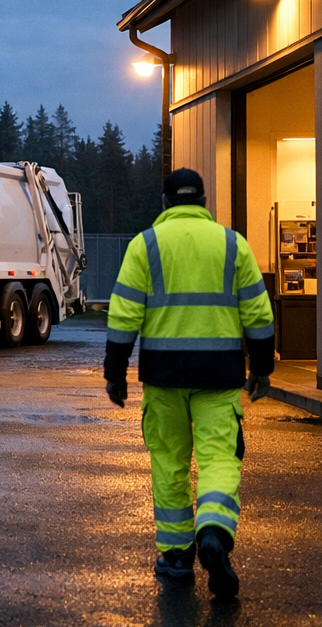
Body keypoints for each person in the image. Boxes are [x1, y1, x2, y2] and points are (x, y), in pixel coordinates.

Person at [103, 168, 274, 599]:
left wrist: (115, 372)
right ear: (203, 201)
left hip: (164, 377)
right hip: (219, 377)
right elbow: (258, 313)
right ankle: (214, 529)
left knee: (169, 462)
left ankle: (177, 556)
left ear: (165, 203)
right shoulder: (232, 244)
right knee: (219, 458)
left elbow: (124, 315)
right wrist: (261, 368)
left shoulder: (146, 245)